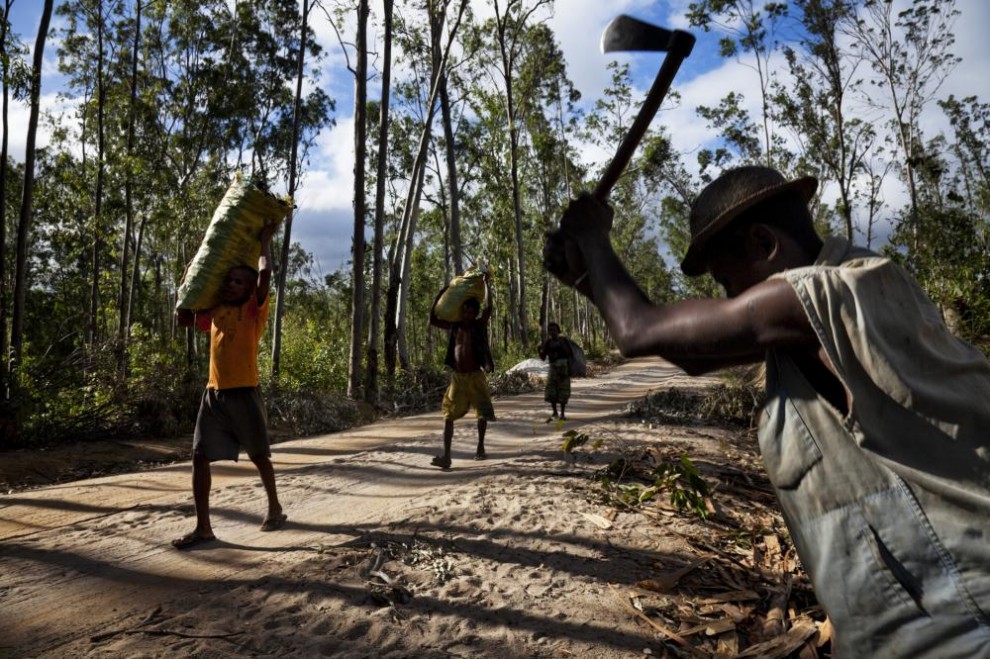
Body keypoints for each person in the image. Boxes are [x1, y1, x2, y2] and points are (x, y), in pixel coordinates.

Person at [543, 165, 990, 656]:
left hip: (963, 623)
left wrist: (593, 238)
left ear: (763, 243)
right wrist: (588, 278)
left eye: (727, 281)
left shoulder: (832, 292)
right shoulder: (822, 320)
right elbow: (692, 357)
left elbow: (640, 330)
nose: (730, 300)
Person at [172, 223, 286, 549]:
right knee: (198, 456)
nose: (231, 285)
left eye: (239, 281)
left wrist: (264, 243)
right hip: (214, 394)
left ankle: (275, 508)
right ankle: (204, 528)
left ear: (250, 289)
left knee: (260, 455)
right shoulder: (217, 310)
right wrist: (189, 277)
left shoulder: (255, 310)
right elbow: (184, 317)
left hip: (244, 392)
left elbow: (265, 278)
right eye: (229, 280)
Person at [428, 276, 496, 469]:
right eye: (464, 309)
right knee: (448, 415)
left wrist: (487, 285)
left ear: (475, 313)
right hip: (458, 378)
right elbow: (433, 319)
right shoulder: (454, 326)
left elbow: (488, 309)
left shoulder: (478, 325)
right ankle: (447, 456)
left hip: (475, 376)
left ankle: (480, 447)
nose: (466, 312)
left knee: (481, 412)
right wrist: (440, 295)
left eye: (470, 310)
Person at [538, 321, 573, 420]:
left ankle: (562, 413)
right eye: (550, 330)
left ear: (558, 330)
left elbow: (569, 354)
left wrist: (569, 370)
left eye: (554, 330)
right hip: (553, 369)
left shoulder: (563, 341)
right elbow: (543, 357)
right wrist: (539, 350)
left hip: (563, 369)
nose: (552, 332)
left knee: (563, 392)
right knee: (551, 391)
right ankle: (555, 412)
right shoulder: (548, 343)